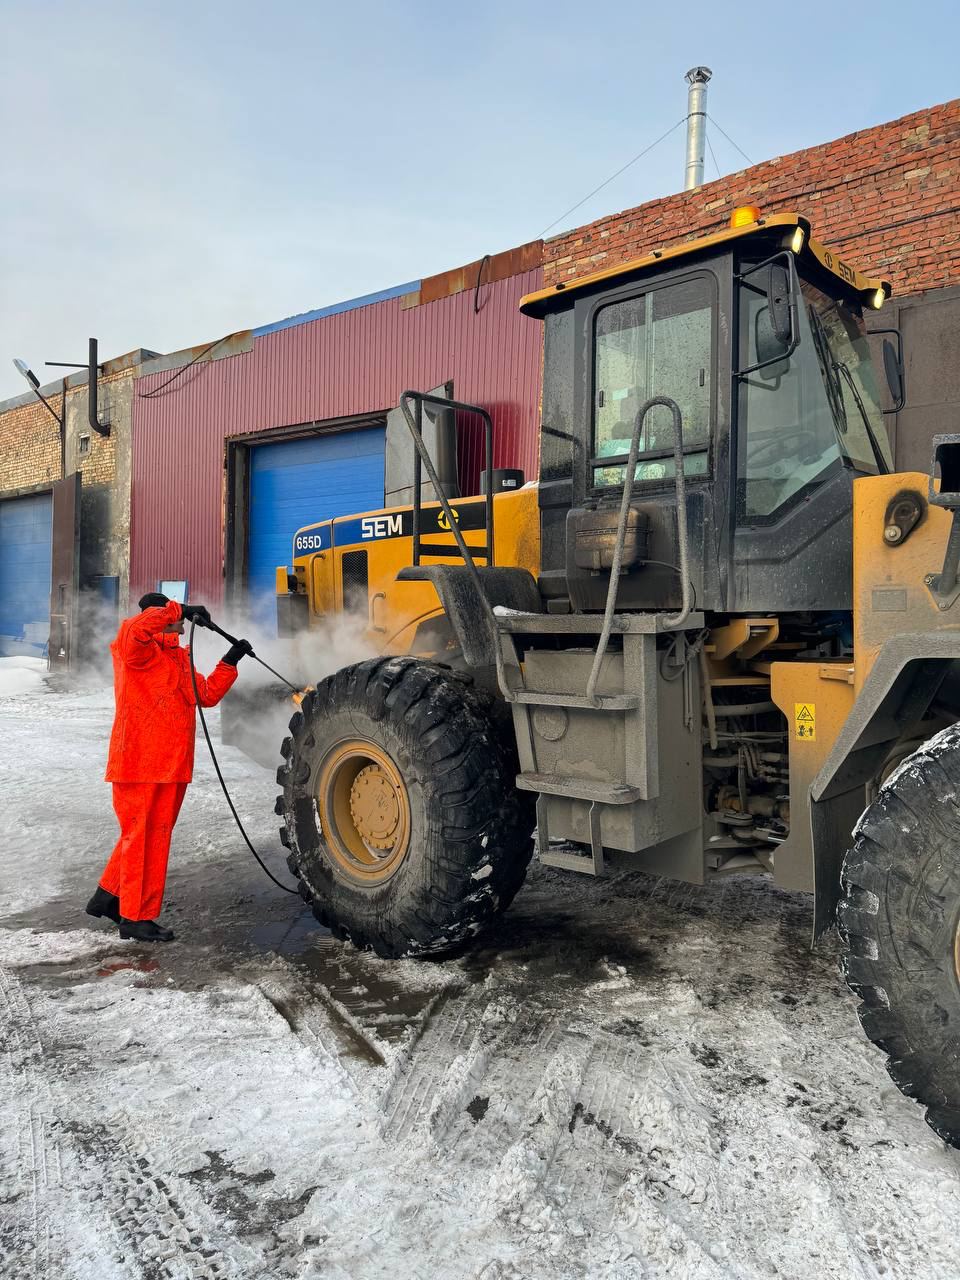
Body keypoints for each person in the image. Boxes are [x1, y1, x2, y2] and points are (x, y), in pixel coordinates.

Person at [85, 592, 253, 943]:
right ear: (159, 615)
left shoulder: (176, 658)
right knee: (144, 839)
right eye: (169, 614)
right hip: (139, 762)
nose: (177, 622)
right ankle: (136, 917)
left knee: (145, 836)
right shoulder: (135, 648)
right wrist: (179, 609)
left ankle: (110, 896)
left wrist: (230, 660)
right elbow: (136, 629)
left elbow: (204, 695)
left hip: (172, 765)